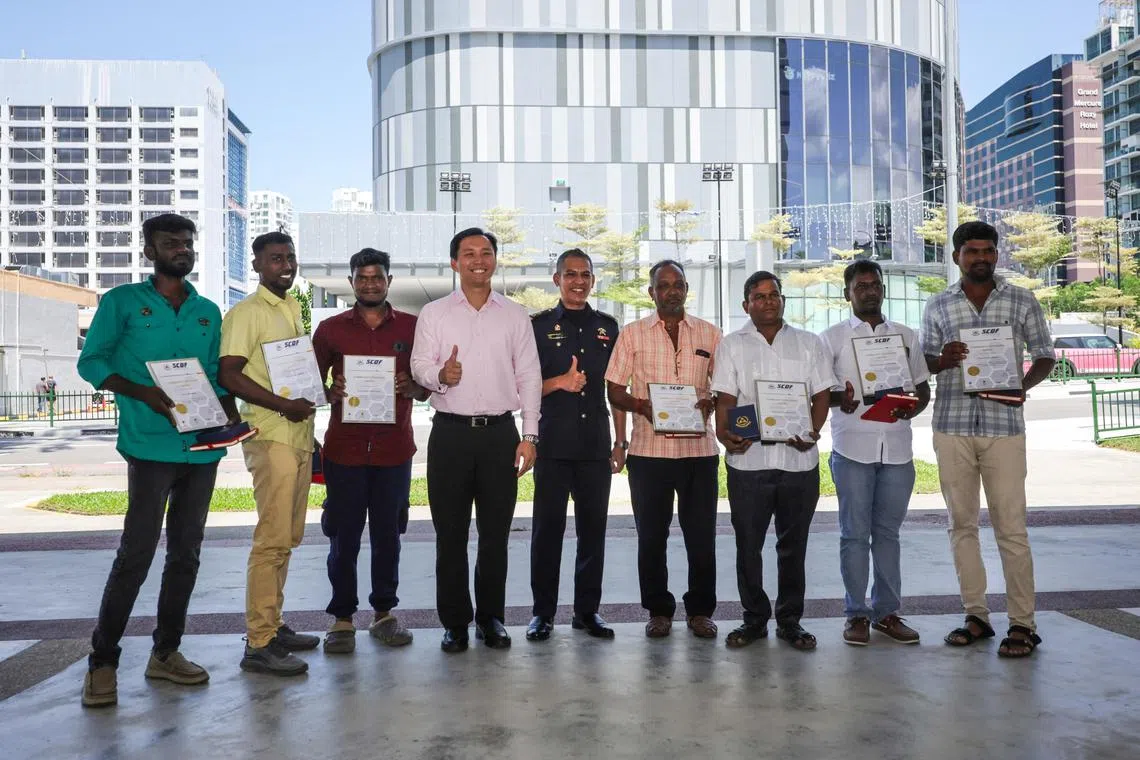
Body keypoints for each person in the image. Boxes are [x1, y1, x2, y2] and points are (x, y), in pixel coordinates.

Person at [77, 213, 239, 707]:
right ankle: (102, 661)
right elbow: (92, 362)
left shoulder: (208, 311)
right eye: (171, 243)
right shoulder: (122, 302)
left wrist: (230, 417)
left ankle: (166, 652)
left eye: (187, 243)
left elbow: (212, 375)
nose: (181, 249)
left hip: (201, 450)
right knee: (136, 555)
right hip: (149, 447)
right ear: (150, 251)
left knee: (186, 555)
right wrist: (143, 393)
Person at [921, 220, 1055, 658]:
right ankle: (976, 615)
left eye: (988, 251)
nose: (981, 258)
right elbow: (924, 361)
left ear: (997, 254)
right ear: (956, 256)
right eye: (972, 251)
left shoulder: (1021, 299)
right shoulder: (938, 304)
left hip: (1004, 428)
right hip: (952, 426)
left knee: (1011, 528)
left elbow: (1045, 355)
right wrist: (942, 360)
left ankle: (1023, 624)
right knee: (961, 526)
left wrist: (1022, 387)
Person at [410, 227, 542, 653]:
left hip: (500, 436)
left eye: (485, 252)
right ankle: (455, 623)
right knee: (450, 536)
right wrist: (439, 375)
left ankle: (491, 618)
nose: (478, 260)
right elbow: (418, 365)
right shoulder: (434, 314)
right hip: (450, 435)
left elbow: (529, 376)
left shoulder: (515, 315)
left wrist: (530, 435)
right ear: (455, 263)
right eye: (468, 253)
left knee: (495, 535)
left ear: (495, 260)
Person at [312, 248, 428, 654]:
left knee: (388, 535)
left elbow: (427, 386)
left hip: (393, 450)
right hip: (344, 450)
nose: (370, 284)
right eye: (362, 278)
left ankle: (383, 613)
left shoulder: (414, 327)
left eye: (377, 277)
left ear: (388, 281)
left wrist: (412, 387)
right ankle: (342, 618)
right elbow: (310, 384)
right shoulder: (330, 330)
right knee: (343, 537)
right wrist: (330, 392)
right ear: (351, 283)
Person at [711, 271, 834, 651]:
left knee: (793, 546)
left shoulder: (809, 343)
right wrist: (724, 434)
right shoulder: (732, 345)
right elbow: (725, 399)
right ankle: (753, 619)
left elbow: (821, 396)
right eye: (760, 296)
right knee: (748, 546)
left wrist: (812, 431)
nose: (769, 302)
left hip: (799, 463)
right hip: (749, 463)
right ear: (746, 304)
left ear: (783, 300)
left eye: (774, 295)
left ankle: (790, 620)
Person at [219, 231, 323, 676]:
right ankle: (259, 642)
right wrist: (283, 406)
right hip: (271, 434)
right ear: (257, 265)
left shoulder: (291, 308)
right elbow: (229, 374)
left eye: (290, 257)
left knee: (288, 538)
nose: (286, 265)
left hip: (297, 435)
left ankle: (273, 625)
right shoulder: (247, 312)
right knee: (271, 541)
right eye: (275, 258)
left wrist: (309, 429)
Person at [605, 260, 721, 640]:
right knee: (651, 538)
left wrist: (712, 401)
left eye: (678, 284)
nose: (672, 291)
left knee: (701, 537)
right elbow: (614, 390)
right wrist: (642, 406)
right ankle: (658, 610)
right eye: (664, 285)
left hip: (699, 452)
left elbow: (725, 386)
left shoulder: (710, 334)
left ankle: (700, 611)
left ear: (686, 289)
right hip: (648, 453)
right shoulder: (632, 334)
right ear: (651, 292)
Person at [821, 260, 930, 646]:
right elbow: (822, 394)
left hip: (897, 450)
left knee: (888, 535)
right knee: (854, 535)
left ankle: (886, 612)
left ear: (883, 289)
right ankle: (856, 614)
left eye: (875, 285)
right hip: (852, 448)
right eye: (861, 286)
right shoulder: (831, 339)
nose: (869, 291)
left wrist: (911, 408)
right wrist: (843, 399)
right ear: (847, 293)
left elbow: (922, 390)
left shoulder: (906, 335)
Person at [526, 249, 626, 642]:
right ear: (557, 279)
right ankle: (542, 614)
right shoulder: (537, 327)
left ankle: (587, 612)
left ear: (593, 280)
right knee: (546, 534)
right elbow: (521, 387)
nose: (578, 282)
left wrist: (620, 441)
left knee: (593, 533)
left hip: (594, 446)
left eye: (585, 274)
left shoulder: (608, 327)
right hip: (552, 445)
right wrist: (559, 383)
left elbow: (616, 389)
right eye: (570, 274)